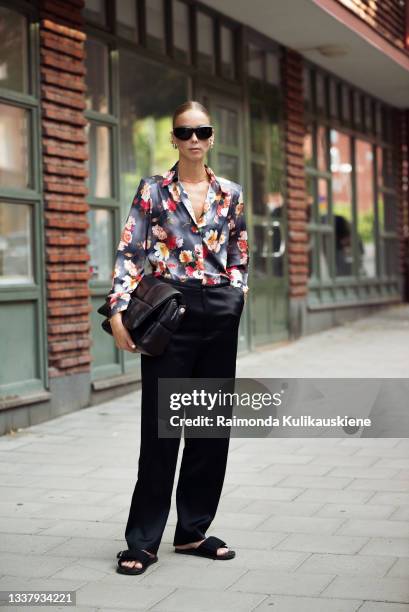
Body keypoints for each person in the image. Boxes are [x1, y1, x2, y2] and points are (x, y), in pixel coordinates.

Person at [107, 100, 249, 575]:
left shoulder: (231, 193)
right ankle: (143, 540)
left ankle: (192, 532)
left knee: (210, 430)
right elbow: (130, 252)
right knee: (162, 430)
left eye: (202, 131)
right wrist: (121, 311)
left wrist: (236, 296)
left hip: (218, 314)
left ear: (211, 138)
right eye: (185, 132)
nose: (194, 139)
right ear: (173, 138)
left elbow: (239, 253)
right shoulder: (152, 190)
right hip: (170, 313)